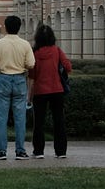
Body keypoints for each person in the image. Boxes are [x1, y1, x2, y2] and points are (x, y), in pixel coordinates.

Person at [0, 15, 35, 160]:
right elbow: (31, 64)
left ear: (6, 28)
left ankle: (1, 150)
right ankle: (20, 150)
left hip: (3, 78)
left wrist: (2, 65)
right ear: (19, 28)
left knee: (1, 117)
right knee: (20, 117)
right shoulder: (25, 44)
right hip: (20, 79)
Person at [28, 24, 72, 159]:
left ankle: (39, 151)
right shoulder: (57, 51)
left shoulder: (34, 53)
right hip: (57, 89)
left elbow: (32, 75)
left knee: (39, 122)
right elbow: (68, 67)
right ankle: (61, 151)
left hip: (40, 91)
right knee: (59, 120)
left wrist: (29, 96)